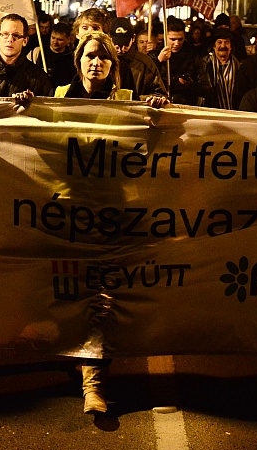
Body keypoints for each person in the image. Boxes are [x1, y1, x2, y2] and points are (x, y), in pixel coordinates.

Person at [16, 31, 167, 414]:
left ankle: (93, 383)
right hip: (66, 210)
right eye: (89, 56)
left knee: (101, 298)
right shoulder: (61, 96)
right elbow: (37, 139)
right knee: (66, 294)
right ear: (78, 61)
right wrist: (23, 108)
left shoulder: (128, 102)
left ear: (114, 65)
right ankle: (75, 356)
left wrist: (158, 112)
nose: (95, 62)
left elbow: (152, 146)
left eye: (103, 57)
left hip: (111, 210)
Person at [0, 14, 53, 97]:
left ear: (25, 40)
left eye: (16, 35)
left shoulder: (39, 78)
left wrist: (32, 103)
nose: (10, 40)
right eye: (5, 34)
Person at [158, 16, 204, 105]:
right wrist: (158, 61)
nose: (177, 43)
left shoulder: (193, 55)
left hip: (186, 103)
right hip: (162, 104)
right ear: (165, 36)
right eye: (172, 39)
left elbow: (205, 87)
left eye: (180, 39)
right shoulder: (155, 54)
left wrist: (191, 84)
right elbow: (149, 83)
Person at [201, 28, 239, 109]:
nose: (223, 46)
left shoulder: (239, 66)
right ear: (214, 46)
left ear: (231, 47)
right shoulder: (204, 65)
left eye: (227, 42)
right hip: (211, 113)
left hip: (234, 113)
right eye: (219, 42)